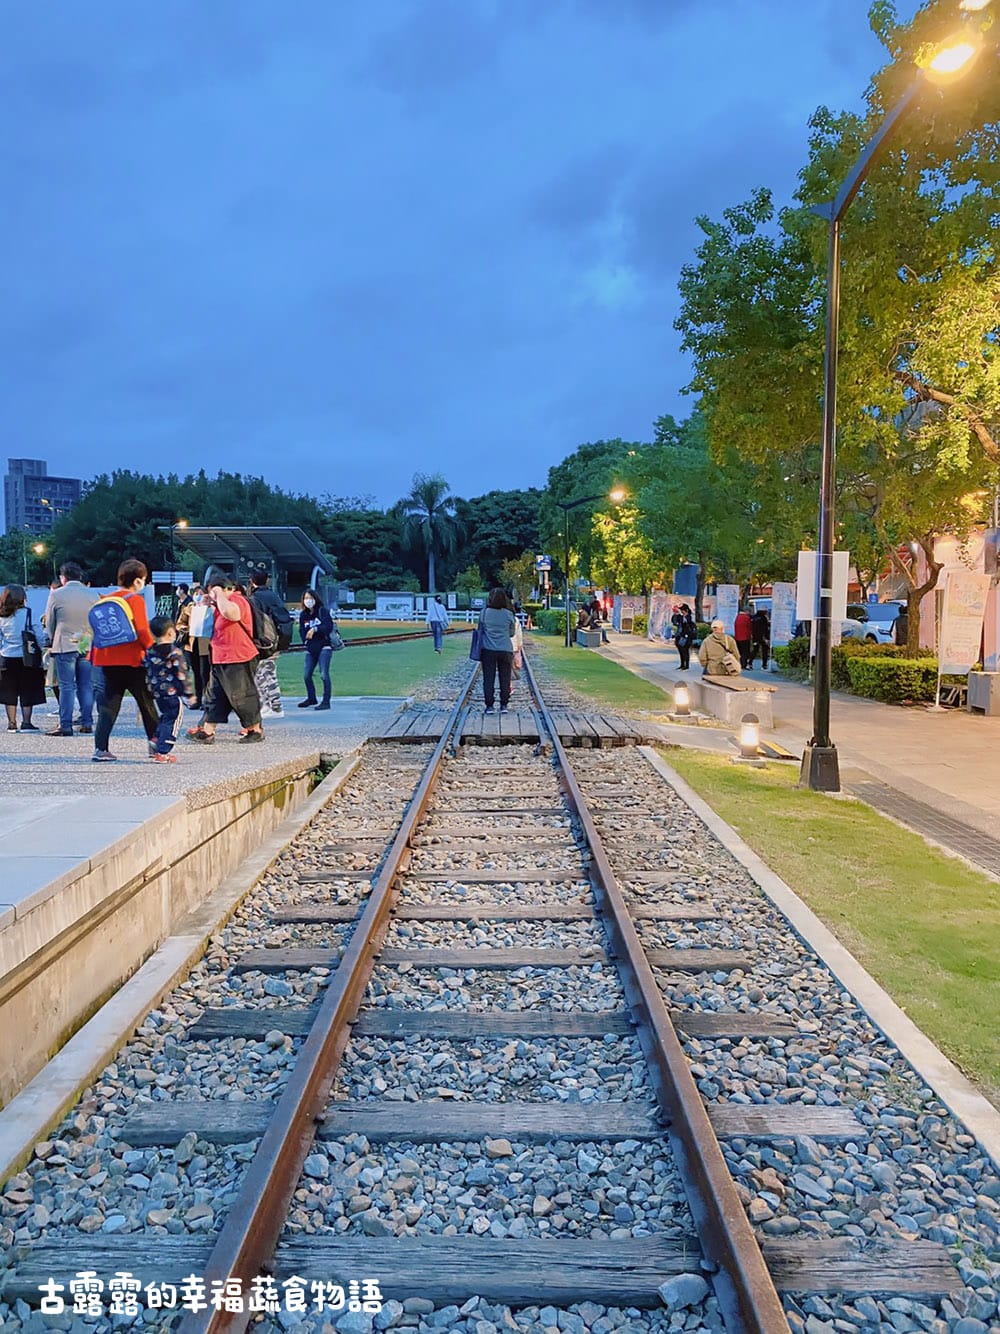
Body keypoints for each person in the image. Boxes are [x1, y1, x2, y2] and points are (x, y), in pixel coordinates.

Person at [92, 559, 160, 761]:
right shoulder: (134, 599)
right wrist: (154, 649)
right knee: (146, 704)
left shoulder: (105, 599)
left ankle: (100, 749)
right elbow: (141, 630)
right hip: (132, 660)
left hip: (107, 660)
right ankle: (156, 746)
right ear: (138, 580)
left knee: (109, 705)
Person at [190, 574, 263, 743]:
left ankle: (255, 729)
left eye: (214, 591)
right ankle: (208, 731)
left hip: (238, 656)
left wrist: (219, 594)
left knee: (242, 696)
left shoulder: (238, 600)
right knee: (215, 695)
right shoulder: (219, 605)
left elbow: (232, 614)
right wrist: (205, 605)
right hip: (220, 657)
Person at [42, 562, 99, 736]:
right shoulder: (92, 594)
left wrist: (52, 639)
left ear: (63, 577)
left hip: (65, 643)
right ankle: (87, 722)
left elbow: (50, 621)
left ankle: (65, 724)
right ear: (80, 577)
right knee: (86, 685)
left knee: (67, 686)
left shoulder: (57, 595)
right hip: (86, 643)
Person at [144, 614, 196, 763]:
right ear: (171, 632)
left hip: (158, 692)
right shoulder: (174, 652)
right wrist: (189, 694)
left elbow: (146, 670)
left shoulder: (150, 651)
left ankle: (156, 738)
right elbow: (182, 675)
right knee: (174, 720)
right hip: (172, 692)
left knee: (166, 716)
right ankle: (163, 750)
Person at [0, 584, 46, 731]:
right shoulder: (29, 613)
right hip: (27, 657)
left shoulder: (2, 616)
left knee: (9, 691)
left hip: (6, 656)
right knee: (28, 688)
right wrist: (44, 645)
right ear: (22, 598)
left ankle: (11, 723)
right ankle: (26, 722)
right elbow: (38, 634)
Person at [249, 570, 292, 716]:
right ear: (267, 580)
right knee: (266, 672)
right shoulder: (274, 595)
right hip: (277, 638)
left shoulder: (255, 598)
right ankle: (269, 705)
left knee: (265, 674)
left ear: (251, 581)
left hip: (263, 641)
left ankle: (275, 706)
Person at [478, 587, 516, 714]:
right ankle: (504, 704)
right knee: (505, 677)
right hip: (505, 649)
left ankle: (489, 706)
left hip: (488, 649)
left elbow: (481, 631)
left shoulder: (484, 613)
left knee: (488, 678)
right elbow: (511, 633)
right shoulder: (509, 614)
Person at [176, 584, 211, 709]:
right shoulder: (190, 607)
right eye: (196, 593)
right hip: (192, 643)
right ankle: (198, 699)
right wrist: (184, 628)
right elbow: (180, 623)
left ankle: (207, 700)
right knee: (195, 672)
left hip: (206, 643)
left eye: (201, 593)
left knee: (205, 672)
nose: (199, 596)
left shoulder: (211, 608)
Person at [299, 589, 334, 710]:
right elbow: (302, 631)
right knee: (306, 675)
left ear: (315, 598)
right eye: (305, 598)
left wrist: (315, 629)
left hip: (324, 647)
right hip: (311, 648)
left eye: (310, 598)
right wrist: (305, 641)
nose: (308, 600)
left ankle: (326, 701)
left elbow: (328, 626)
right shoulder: (303, 615)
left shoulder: (322, 611)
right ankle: (311, 698)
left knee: (324, 674)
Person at [671, 604, 696, 670]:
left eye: (682, 610)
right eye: (681, 610)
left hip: (687, 637)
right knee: (680, 650)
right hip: (680, 636)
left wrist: (685, 618)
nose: (681, 611)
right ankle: (682, 664)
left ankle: (686, 665)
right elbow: (674, 621)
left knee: (685, 650)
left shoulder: (690, 617)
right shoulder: (680, 617)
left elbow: (690, 624)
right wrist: (676, 614)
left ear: (686, 610)